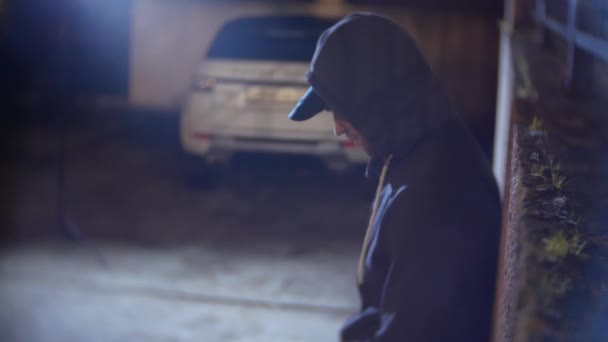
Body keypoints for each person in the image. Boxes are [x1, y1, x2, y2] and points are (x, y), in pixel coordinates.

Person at [288, 12, 502, 342]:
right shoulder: (411, 149)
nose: (338, 127)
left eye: (346, 108)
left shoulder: (436, 200)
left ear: (381, 100)